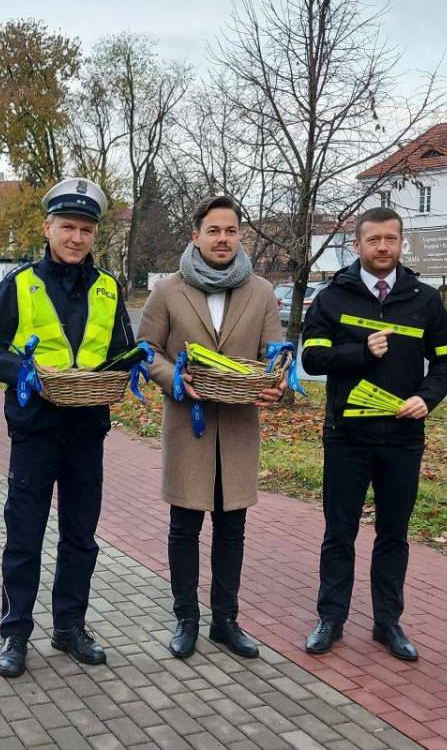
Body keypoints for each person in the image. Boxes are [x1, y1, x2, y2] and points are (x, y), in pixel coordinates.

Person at [0, 177, 135, 679]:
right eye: (68, 226)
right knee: (24, 536)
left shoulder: (109, 286)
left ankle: (69, 628)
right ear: (48, 227)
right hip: (36, 431)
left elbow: (122, 352)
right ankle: (15, 633)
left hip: (88, 428)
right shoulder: (20, 284)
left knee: (81, 536)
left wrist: (125, 370)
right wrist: (24, 372)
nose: (77, 237)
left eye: (86, 229)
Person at [300, 206, 447, 661]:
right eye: (374, 240)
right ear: (357, 244)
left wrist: (427, 398)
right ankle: (330, 618)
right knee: (340, 532)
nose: (383, 247)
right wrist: (361, 351)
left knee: (394, 533)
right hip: (347, 435)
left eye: (391, 239)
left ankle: (387, 622)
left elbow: (446, 361)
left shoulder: (425, 299)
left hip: (404, 438)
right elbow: (313, 360)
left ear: (401, 242)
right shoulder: (333, 297)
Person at [136, 195, 286, 660]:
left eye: (231, 231)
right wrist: (173, 380)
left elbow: (275, 354)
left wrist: (276, 384)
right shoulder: (168, 291)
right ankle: (185, 618)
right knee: (183, 528)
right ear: (195, 236)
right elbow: (146, 350)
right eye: (214, 231)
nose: (223, 239)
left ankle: (225, 621)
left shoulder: (260, 291)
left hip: (239, 429)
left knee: (231, 528)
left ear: (240, 236)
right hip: (189, 426)